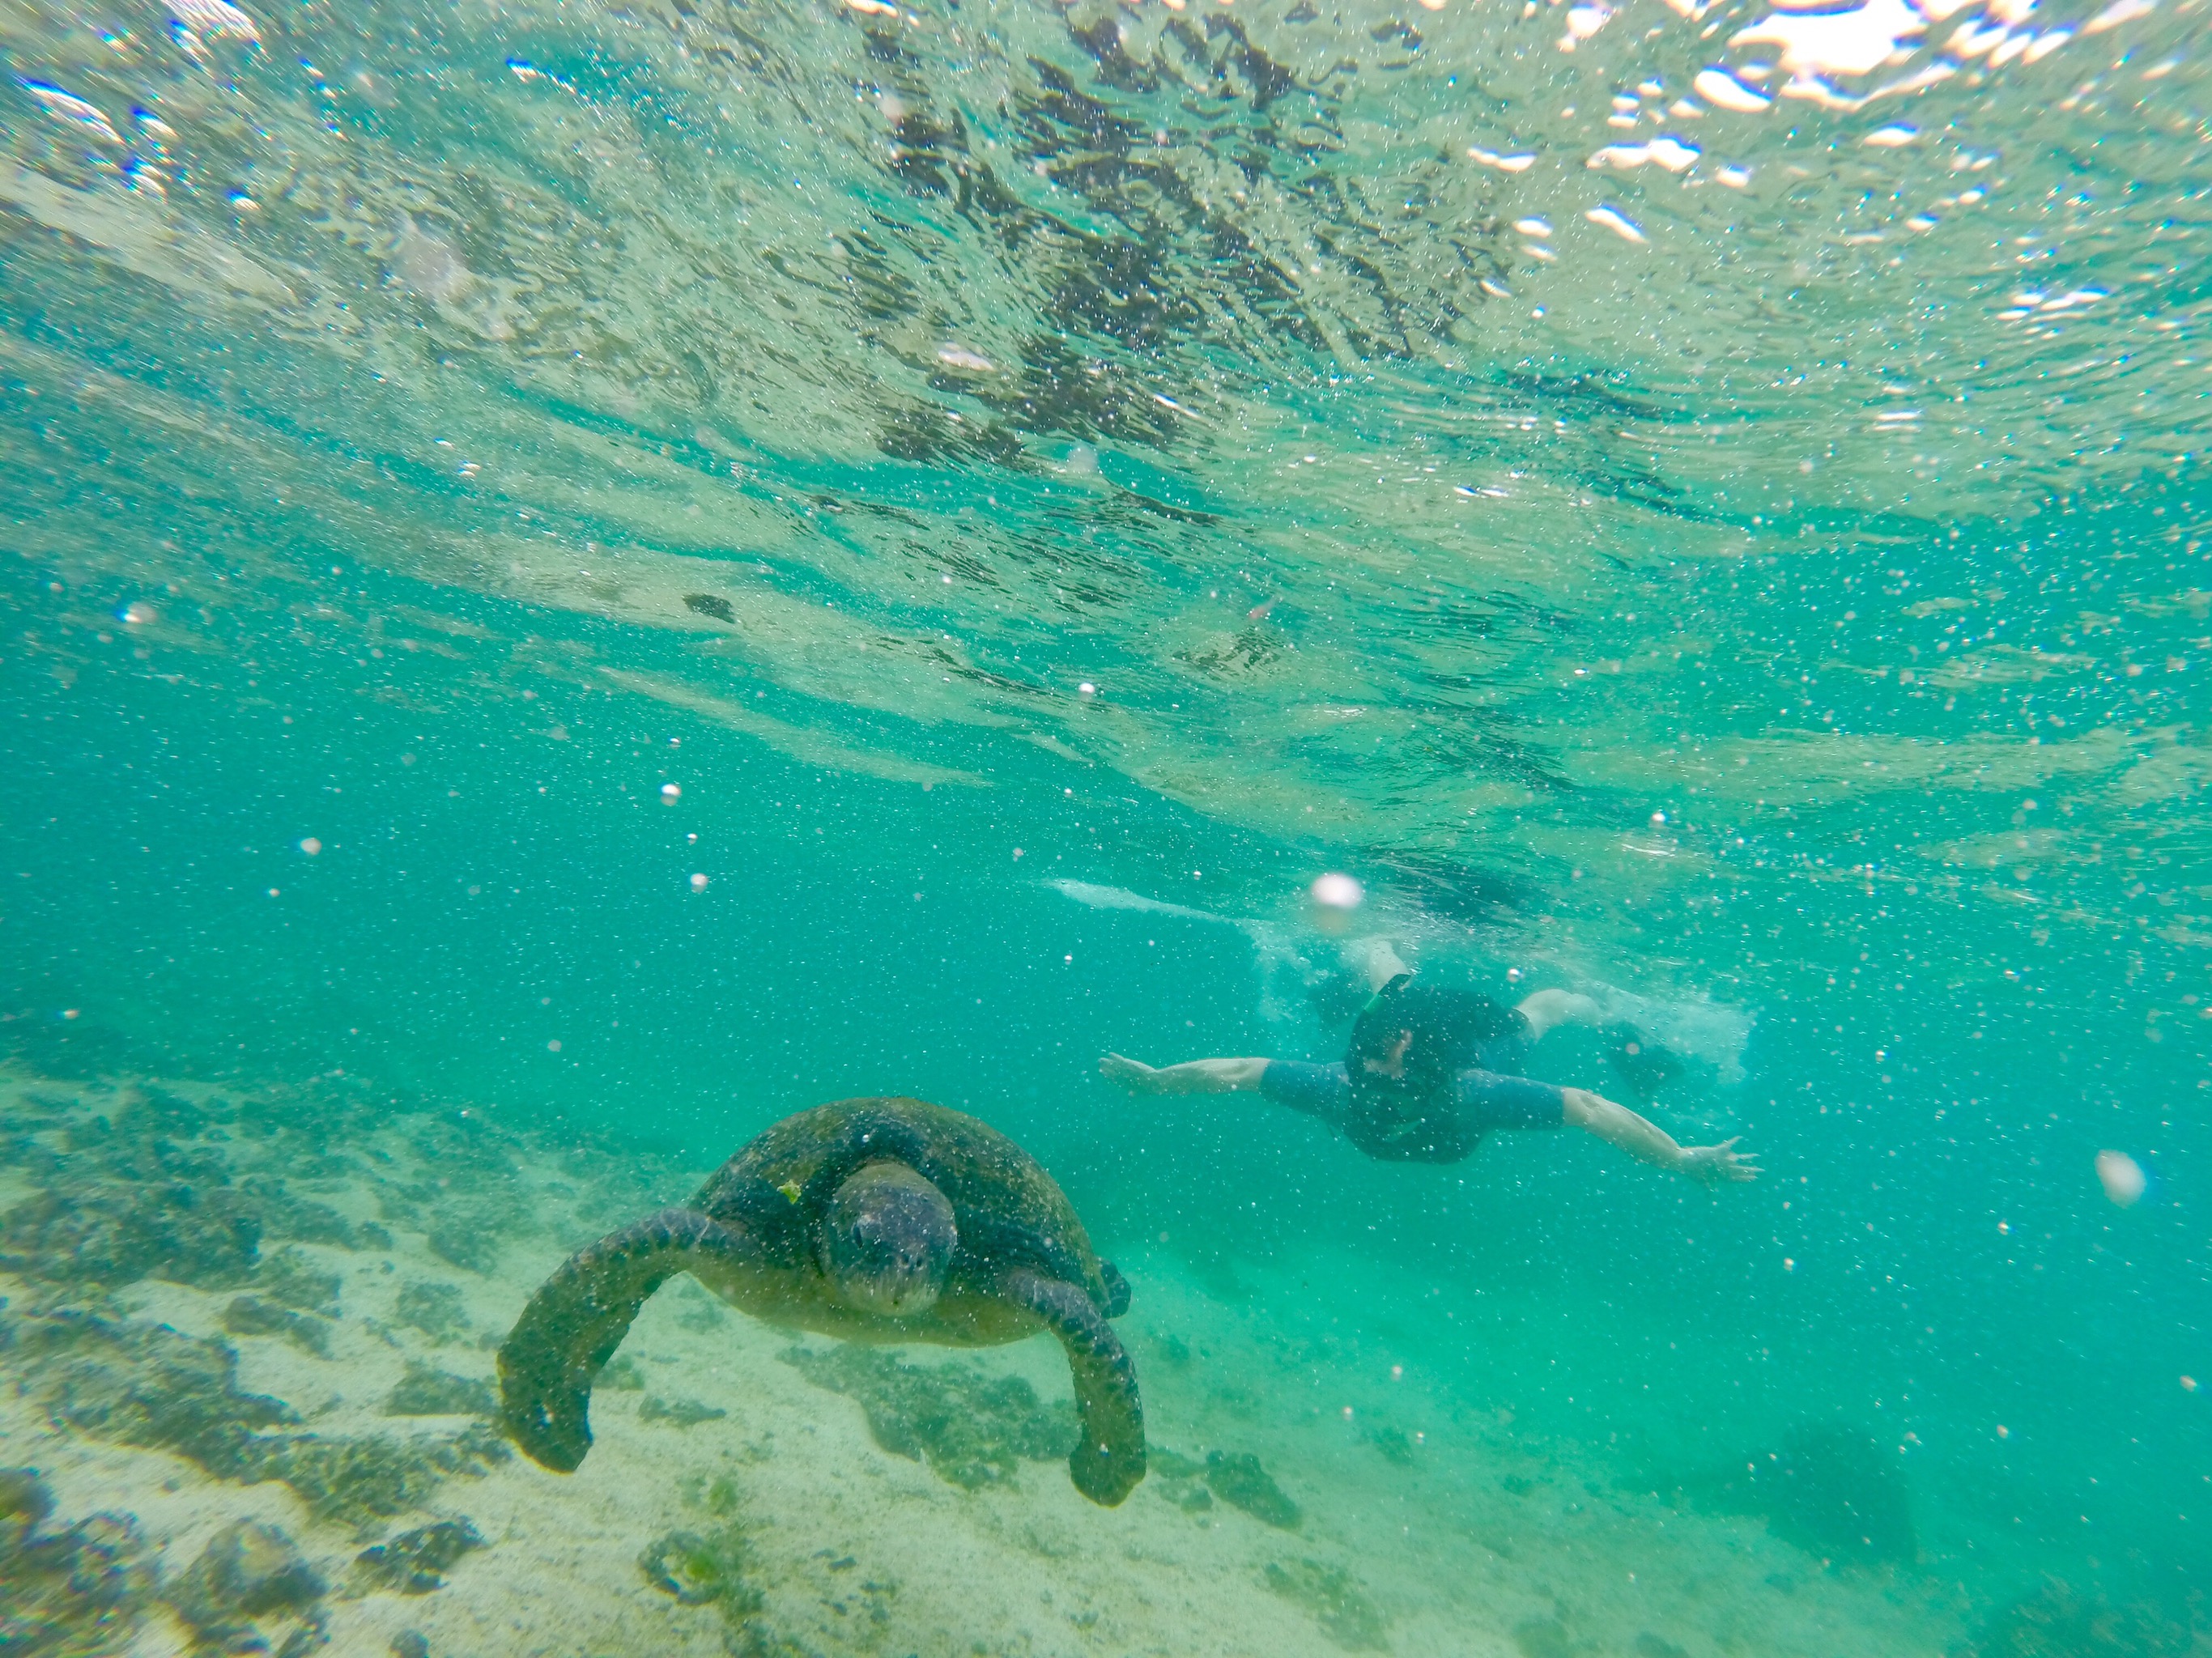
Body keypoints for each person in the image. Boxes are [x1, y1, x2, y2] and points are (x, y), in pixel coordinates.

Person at [1099, 942, 1759, 1185]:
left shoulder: (1478, 1090)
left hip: (1473, 1045)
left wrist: (1678, 1158)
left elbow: (1590, 1108)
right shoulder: (1341, 1084)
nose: (1383, 1091)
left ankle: (1594, 1002)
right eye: (1372, 1073)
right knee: (1393, 990)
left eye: (1401, 1081)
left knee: (1539, 1011)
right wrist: (1157, 1083)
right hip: (1421, 1037)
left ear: (1435, 1082)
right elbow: (1241, 1071)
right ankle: (1381, 949)